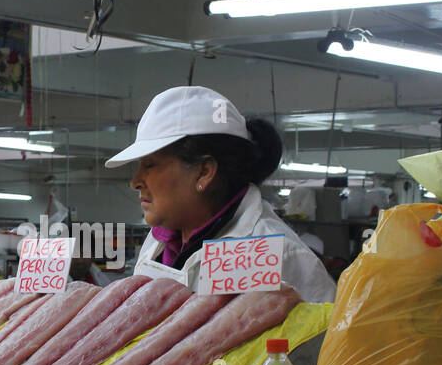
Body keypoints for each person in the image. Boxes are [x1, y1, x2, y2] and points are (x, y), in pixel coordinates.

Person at [106, 85, 336, 302]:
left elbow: (324, 340)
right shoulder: (158, 242)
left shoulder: (276, 254)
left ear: (204, 172)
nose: (135, 182)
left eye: (149, 165)